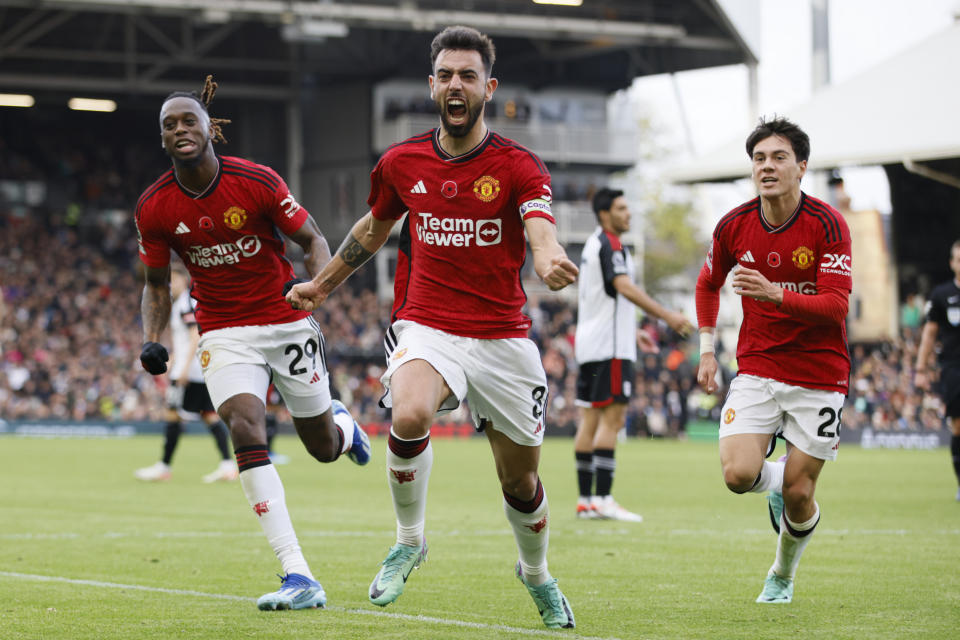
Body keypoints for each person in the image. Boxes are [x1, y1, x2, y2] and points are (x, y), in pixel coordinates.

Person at [287, 26, 578, 629]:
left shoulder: (519, 165)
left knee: (520, 482)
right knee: (410, 412)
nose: (455, 85)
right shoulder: (400, 162)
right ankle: (410, 539)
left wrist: (548, 259)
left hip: (502, 338)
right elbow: (371, 230)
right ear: (431, 85)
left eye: (468, 75)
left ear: (488, 88)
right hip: (428, 325)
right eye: (445, 74)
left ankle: (537, 574)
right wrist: (322, 285)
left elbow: (540, 229)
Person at [135, 75, 371, 611]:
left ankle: (342, 425)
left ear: (208, 129)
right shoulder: (154, 207)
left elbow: (313, 239)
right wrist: (152, 340)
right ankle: (298, 574)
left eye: (188, 120)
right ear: (164, 139)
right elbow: (154, 283)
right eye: (168, 125)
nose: (179, 130)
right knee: (245, 426)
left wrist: (317, 289)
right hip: (222, 330)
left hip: (285, 320)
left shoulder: (257, 180)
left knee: (323, 450)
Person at [695, 116, 852, 604]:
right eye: (759, 159)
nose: (767, 166)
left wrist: (775, 293)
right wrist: (706, 349)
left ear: (801, 167)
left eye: (779, 157)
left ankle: (782, 574)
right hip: (758, 368)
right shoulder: (734, 225)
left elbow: (836, 305)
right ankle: (777, 479)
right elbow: (707, 284)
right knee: (737, 475)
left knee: (802, 497)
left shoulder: (827, 224)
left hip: (819, 376)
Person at [573, 187, 692, 521]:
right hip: (610, 348)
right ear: (604, 214)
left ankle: (586, 501)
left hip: (591, 343)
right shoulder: (611, 244)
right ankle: (605, 498)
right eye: (622, 208)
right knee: (613, 420)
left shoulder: (593, 244)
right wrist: (665, 315)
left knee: (590, 421)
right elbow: (623, 286)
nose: (628, 213)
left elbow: (605, 299)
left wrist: (633, 330)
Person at [134, 266, 238, 483]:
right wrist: (174, 359)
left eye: (174, 279)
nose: (171, 284)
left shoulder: (185, 304)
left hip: (189, 372)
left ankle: (164, 467)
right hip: (194, 370)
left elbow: (194, 336)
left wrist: (182, 368)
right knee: (207, 415)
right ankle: (227, 465)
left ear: (183, 279)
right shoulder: (183, 303)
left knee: (174, 415)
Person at [914, 239, 960, 501]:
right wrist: (920, 368)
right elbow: (930, 335)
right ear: (952, 263)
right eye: (958, 259)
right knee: (958, 427)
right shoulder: (942, 295)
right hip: (954, 368)